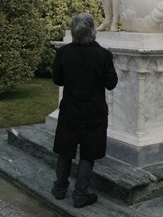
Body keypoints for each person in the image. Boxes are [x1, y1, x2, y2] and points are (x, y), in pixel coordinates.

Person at [51, 13, 118, 208]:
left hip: (70, 109)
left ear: (74, 31)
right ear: (93, 32)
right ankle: (80, 193)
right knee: (88, 152)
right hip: (93, 112)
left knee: (65, 149)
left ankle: (59, 188)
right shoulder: (103, 55)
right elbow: (111, 83)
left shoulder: (63, 53)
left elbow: (58, 80)